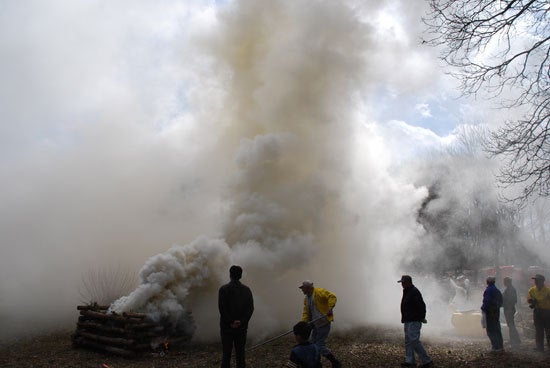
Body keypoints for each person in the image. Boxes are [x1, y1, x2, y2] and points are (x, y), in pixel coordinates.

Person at [299, 280, 341, 368]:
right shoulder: (306, 299)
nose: (302, 290)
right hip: (315, 324)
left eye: (303, 288)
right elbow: (306, 312)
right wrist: (304, 322)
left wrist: (330, 308)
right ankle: (316, 364)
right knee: (313, 344)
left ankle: (335, 362)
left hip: (323, 322)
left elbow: (332, 297)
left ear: (308, 288)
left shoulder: (319, 292)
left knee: (319, 345)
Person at [218, 265, 254, 368]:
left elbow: (222, 308)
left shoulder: (223, 289)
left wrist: (230, 322)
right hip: (241, 329)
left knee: (226, 354)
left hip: (226, 328)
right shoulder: (247, 290)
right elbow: (250, 309)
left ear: (230, 275)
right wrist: (241, 322)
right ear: (241, 275)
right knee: (240, 354)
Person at [398, 275, 433, 368]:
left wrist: (421, 317)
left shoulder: (414, 292)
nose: (402, 284)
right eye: (402, 282)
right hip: (408, 319)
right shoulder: (408, 291)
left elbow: (421, 306)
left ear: (408, 282)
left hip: (414, 320)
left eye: (403, 282)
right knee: (409, 341)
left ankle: (427, 361)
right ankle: (410, 362)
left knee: (414, 340)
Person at [527, 274, 550, 352]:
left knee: (548, 330)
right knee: (538, 331)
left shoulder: (548, 291)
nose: (536, 282)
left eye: (538, 280)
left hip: (547, 312)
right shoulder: (532, 290)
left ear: (542, 281)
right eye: (535, 280)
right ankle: (540, 348)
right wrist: (532, 302)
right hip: (537, 312)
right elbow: (529, 300)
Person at [481, 276, 504, 352]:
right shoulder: (496, 290)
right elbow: (501, 302)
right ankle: (500, 346)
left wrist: (483, 308)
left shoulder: (489, 290)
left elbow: (487, 301)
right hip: (495, 311)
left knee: (491, 330)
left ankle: (495, 347)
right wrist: (496, 308)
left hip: (490, 312)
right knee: (496, 328)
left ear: (487, 282)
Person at [502, 276, 521, 347]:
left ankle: (514, 341)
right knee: (511, 325)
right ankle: (515, 339)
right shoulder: (509, 289)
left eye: (504, 281)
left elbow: (512, 300)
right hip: (508, 309)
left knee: (511, 325)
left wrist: (504, 303)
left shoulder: (511, 290)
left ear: (507, 282)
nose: (503, 283)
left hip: (509, 309)